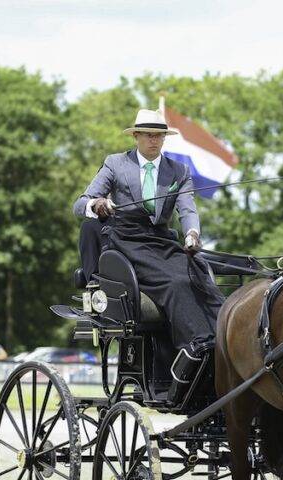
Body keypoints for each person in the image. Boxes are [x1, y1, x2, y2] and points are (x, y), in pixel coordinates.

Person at [72, 108, 224, 403]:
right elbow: (80, 204)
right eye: (149, 135)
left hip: (162, 242)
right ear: (137, 136)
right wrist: (98, 204)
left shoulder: (178, 171)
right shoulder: (116, 164)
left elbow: (187, 210)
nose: (155, 140)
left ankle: (223, 344)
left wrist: (192, 234)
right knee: (176, 282)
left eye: (159, 136)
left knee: (197, 275)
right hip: (127, 241)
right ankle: (196, 350)